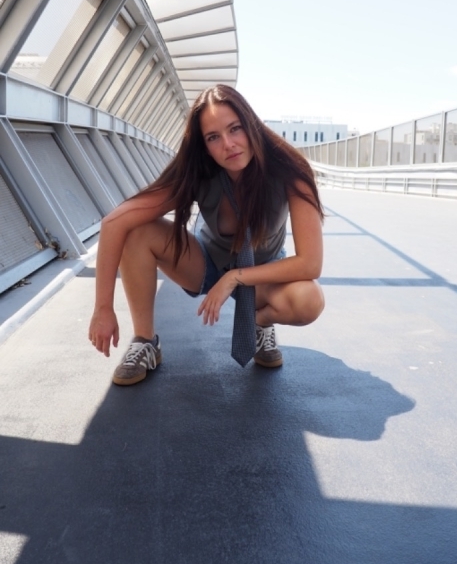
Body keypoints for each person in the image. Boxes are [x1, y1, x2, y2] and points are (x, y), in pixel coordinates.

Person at [88, 85, 325, 385]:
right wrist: (103, 309)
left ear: (251, 125)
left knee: (309, 300)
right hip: (208, 264)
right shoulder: (198, 173)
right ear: (204, 146)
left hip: (262, 275)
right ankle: (145, 342)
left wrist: (235, 277)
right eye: (213, 137)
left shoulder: (290, 171)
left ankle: (259, 322)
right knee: (137, 229)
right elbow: (115, 222)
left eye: (235, 129)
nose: (228, 144)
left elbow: (310, 264)